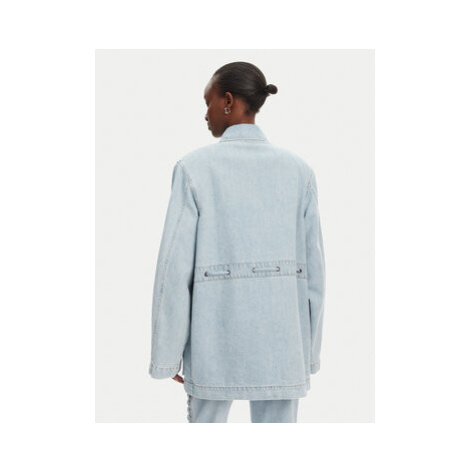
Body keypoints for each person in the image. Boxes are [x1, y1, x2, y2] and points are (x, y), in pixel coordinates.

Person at [149, 61, 326, 423]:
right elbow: (315, 277)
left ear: (228, 101)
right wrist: (307, 353)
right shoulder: (299, 171)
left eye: (209, 102)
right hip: (283, 344)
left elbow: (173, 271)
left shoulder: (194, 169)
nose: (206, 114)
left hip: (213, 343)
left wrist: (167, 354)